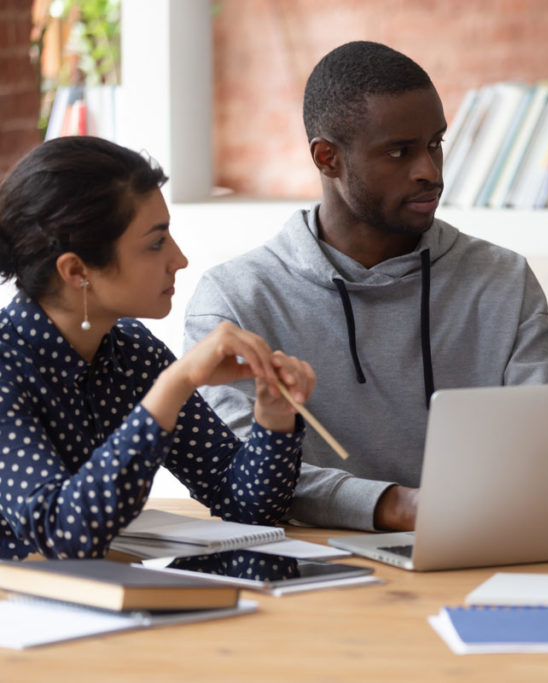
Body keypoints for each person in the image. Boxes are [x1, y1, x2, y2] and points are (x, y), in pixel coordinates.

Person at [184, 41, 548, 533]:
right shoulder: (235, 302)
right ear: (328, 159)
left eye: (435, 144)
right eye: (398, 152)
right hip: (310, 574)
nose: (429, 172)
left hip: (483, 547)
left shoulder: (504, 280)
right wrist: (398, 506)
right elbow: (240, 474)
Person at [0, 136, 316, 560]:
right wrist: (176, 384)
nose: (179, 259)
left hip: (104, 599)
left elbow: (245, 503)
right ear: (76, 270)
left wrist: (274, 419)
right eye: (155, 243)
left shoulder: (134, 354)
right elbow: (63, 533)